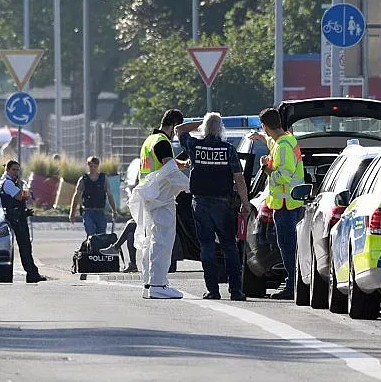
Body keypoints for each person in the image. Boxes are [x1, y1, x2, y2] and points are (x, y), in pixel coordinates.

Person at [176, 112, 250, 301]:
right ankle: (236, 291)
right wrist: (245, 203)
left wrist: (203, 123)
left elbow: (179, 129)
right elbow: (239, 179)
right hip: (223, 204)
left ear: (205, 129)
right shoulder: (228, 149)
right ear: (221, 129)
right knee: (230, 247)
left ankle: (213, 290)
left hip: (200, 203)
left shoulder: (195, 146)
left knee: (206, 247)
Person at [129, 109, 190, 299]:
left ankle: (149, 283)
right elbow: (169, 172)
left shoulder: (150, 140)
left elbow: (163, 166)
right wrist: (191, 186)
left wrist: (179, 163)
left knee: (151, 241)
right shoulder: (163, 142)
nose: (176, 136)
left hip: (150, 197)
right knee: (162, 241)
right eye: (177, 131)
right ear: (173, 126)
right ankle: (158, 284)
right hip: (161, 198)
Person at [248, 107, 304, 300]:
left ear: (264, 126)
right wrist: (263, 138)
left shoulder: (283, 147)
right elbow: (273, 141)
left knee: (288, 247)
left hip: (285, 205)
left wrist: (267, 169)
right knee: (290, 247)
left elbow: (284, 177)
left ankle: (291, 286)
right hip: (291, 203)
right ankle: (294, 283)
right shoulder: (287, 140)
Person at [0, 160, 47, 284]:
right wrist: (24, 191)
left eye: (17, 170)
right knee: (24, 246)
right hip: (15, 218)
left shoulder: (10, 182)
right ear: (7, 170)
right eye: (13, 169)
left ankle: (32, 272)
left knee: (26, 246)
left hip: (17, 215)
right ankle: (31, 273)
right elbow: (20, 196)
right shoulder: (8, 183)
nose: (16, 172)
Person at [69, 156, 118, 236]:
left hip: (100, 211)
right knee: (90, 232)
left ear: (97, 166)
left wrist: (114, 210)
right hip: (88, 211)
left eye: (95, 166)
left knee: (101, 235)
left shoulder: (103, 179)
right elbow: (76, 196)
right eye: (91, 166)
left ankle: (98, 248)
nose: (93, 168)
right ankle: (90, 247)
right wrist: (72, 213)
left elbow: (109, 195)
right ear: (88, 166)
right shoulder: (83, 179)